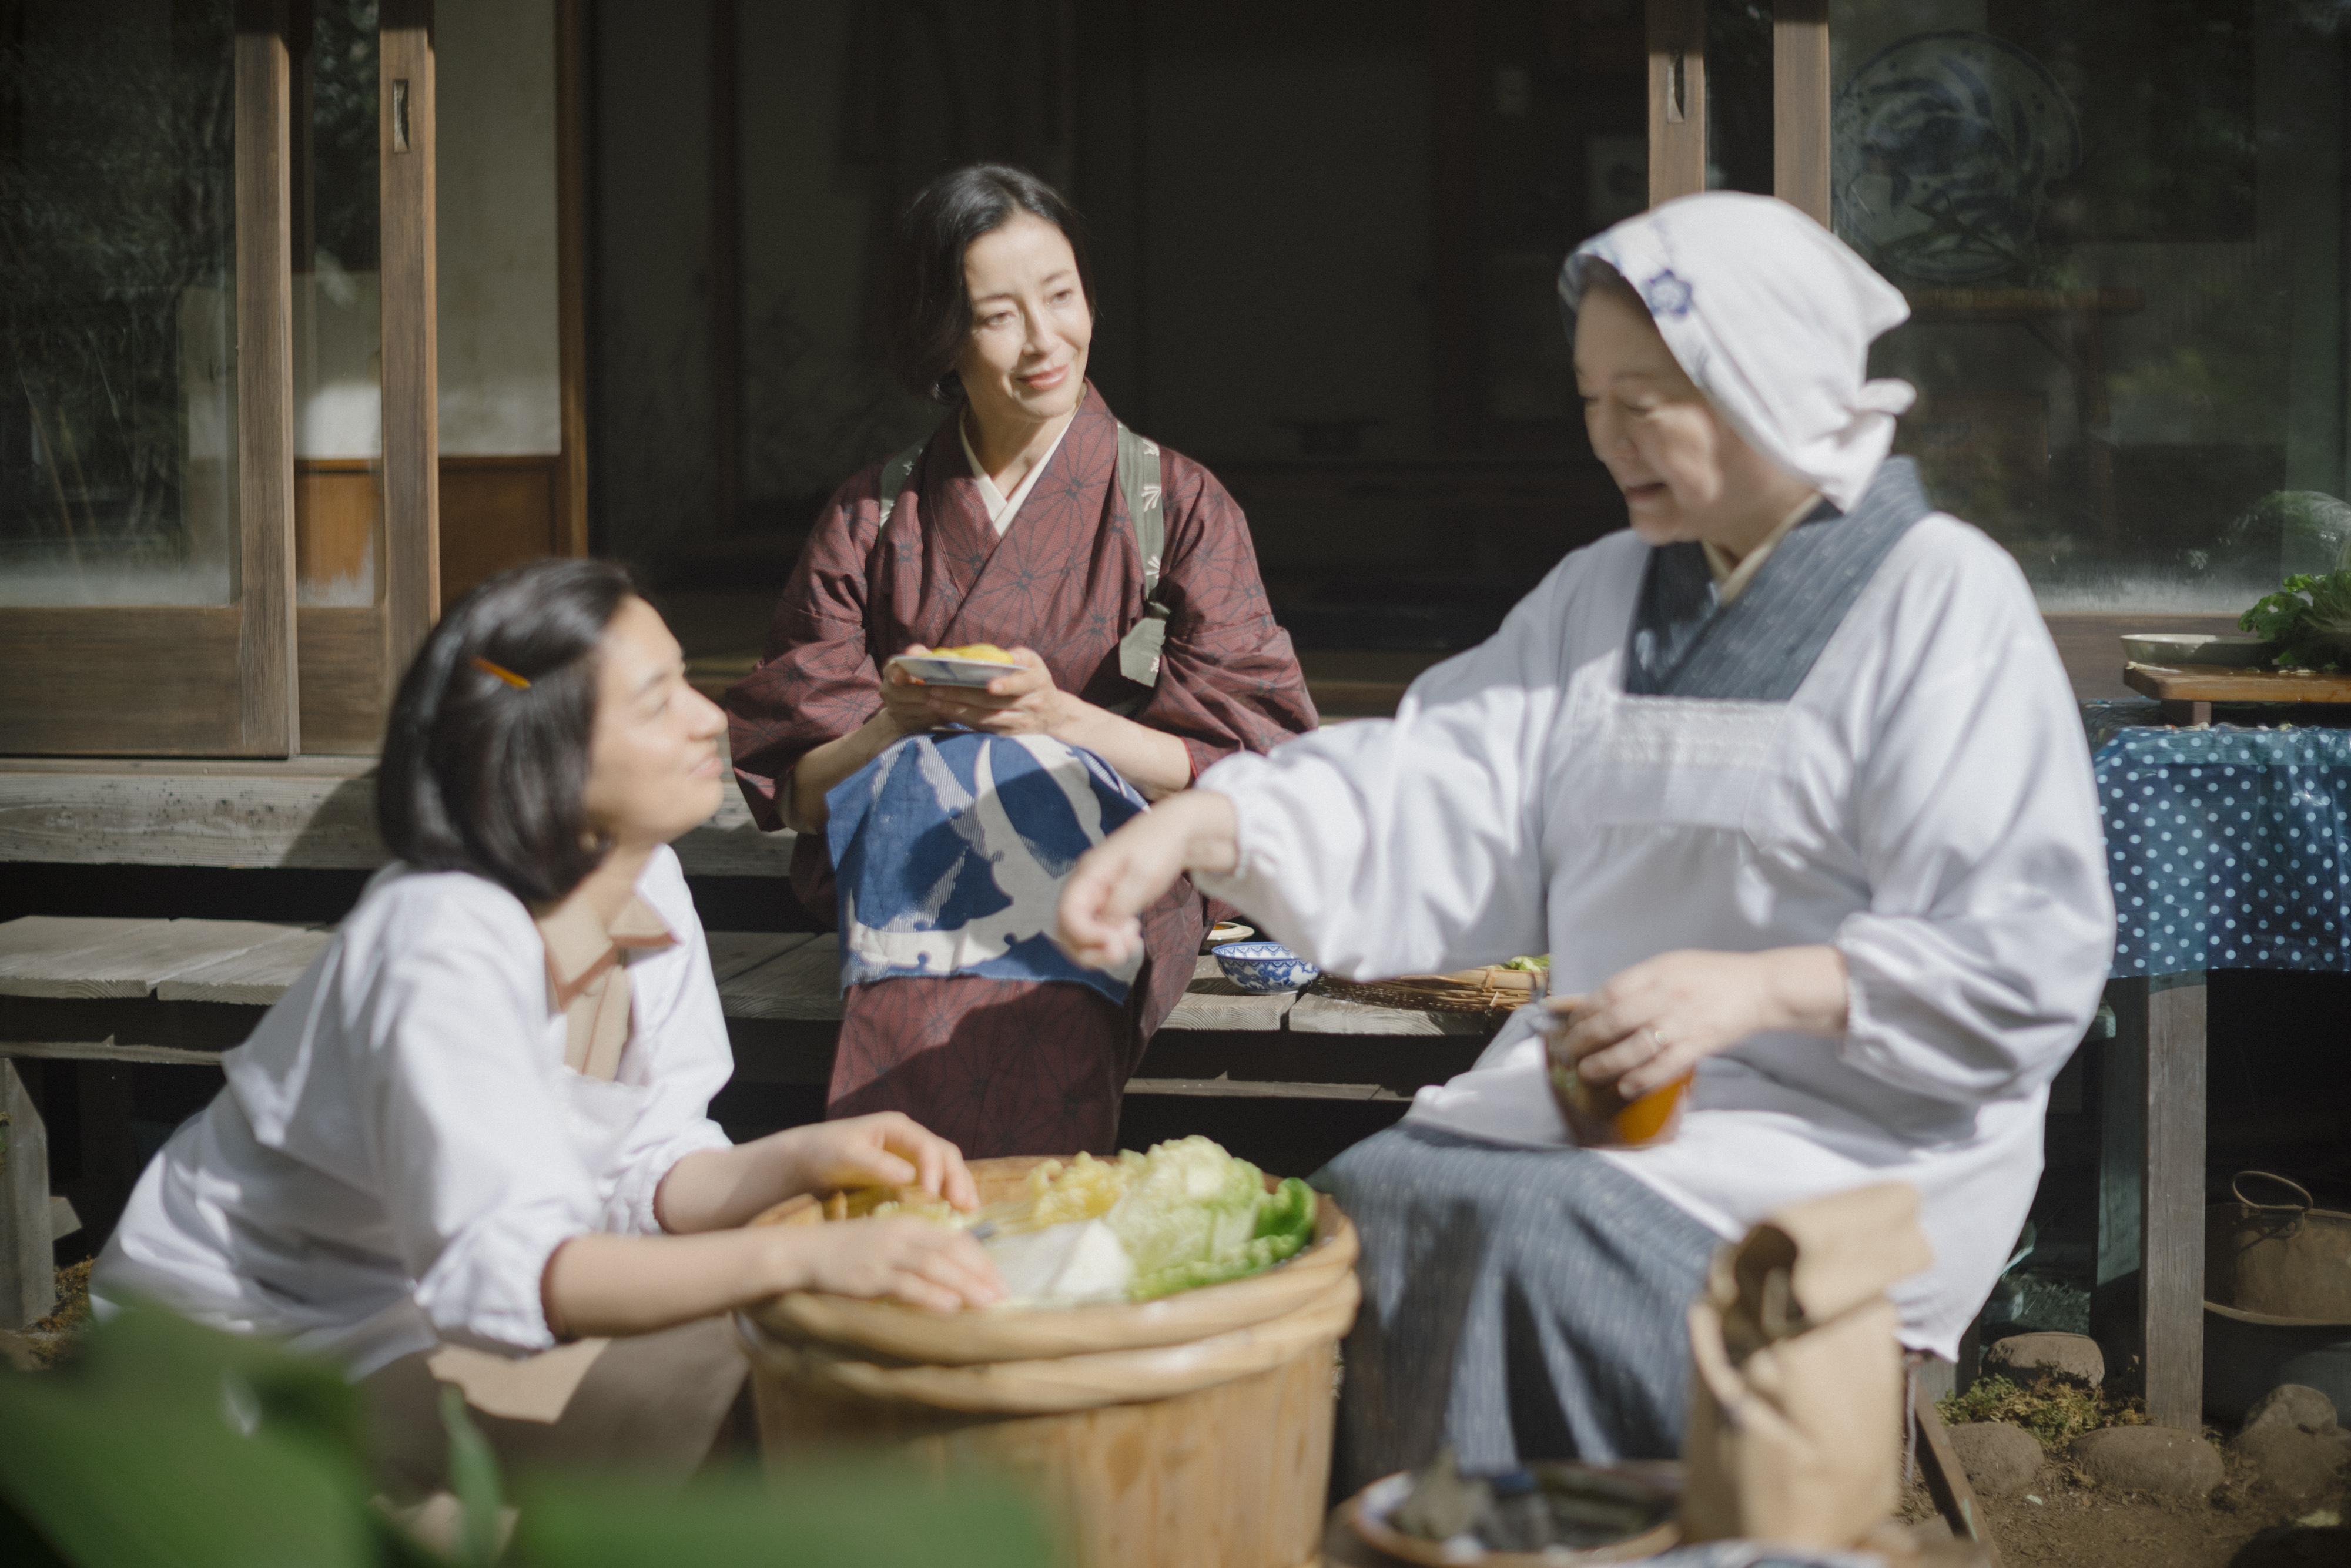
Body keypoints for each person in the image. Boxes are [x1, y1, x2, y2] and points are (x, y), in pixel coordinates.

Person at [1057, 192, 2114, 1491]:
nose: (1608, 439)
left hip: (1853, 1130)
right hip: (1613, 1099)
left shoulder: (1943, 600)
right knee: (1378, 1198)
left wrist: (1755, 988)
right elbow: (1437, 783)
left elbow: (2024, 949)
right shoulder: (1603, 594)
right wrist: (1203, 821)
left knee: (1528, 1239)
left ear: (1764, 378)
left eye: (1647, 399)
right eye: (1587, 401)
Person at [95, 559, 1005, 1500]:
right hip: (250, 1350)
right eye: (657, 703)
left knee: (774, 1367)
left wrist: (813, 1157)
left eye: (688, 679)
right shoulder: (438, 937)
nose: (707, 716)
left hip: (419, 1317)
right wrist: (801, 1257)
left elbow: (645, 1168)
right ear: (544, 750)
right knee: (744, 1380)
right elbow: (505, 1270)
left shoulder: (639, 879)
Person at [725, 164, 1315, 1159]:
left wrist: (1058, 724)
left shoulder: (1179, 504)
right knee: (935, 791)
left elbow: (1260, 761)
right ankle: (937, 1208)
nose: (1046, 341)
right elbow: (801, 792)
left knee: (1038, 813)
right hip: (910, 869)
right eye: (999, 315)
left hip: (1116, 870)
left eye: (1062, 296)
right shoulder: (872, 518)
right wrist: (894, 725)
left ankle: (972, 1199)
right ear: (939, 335)